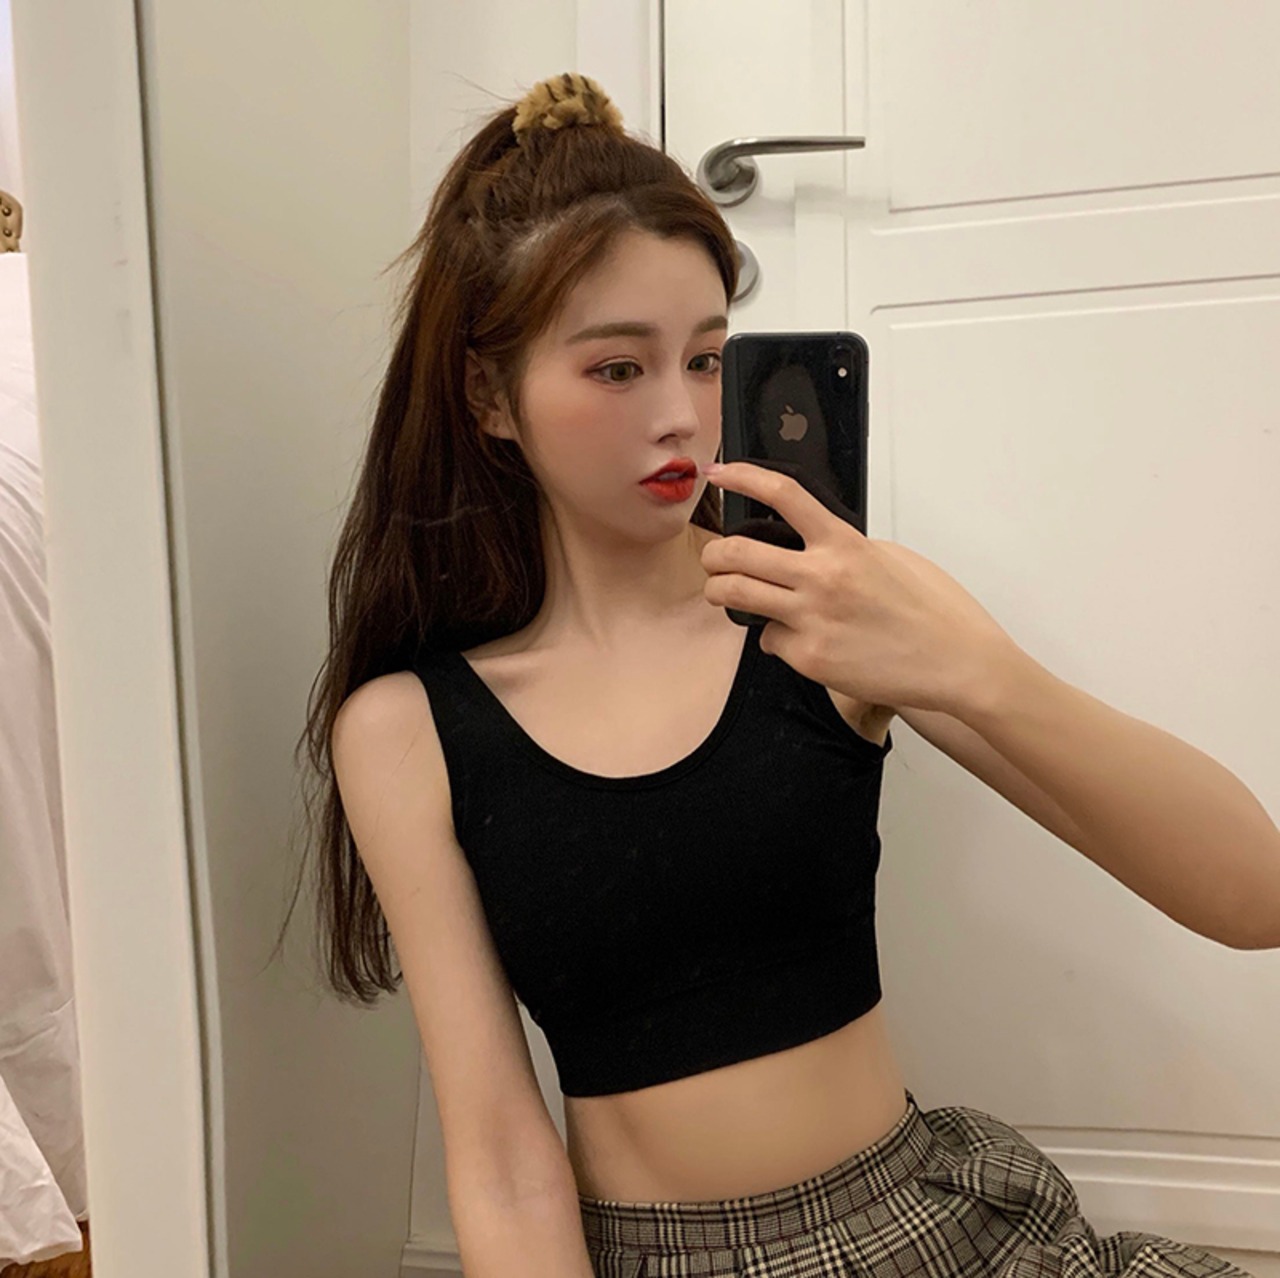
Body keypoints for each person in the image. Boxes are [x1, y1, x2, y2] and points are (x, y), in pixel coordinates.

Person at [281, 72, 1270, 1278]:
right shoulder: (411, 729)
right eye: (615, 369)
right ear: (489, 395)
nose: (678, 416)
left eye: (706, 360)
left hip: (930, 1227)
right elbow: (497, 1156)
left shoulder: (826, 608)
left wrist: (976, 670)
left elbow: (1250, 896)